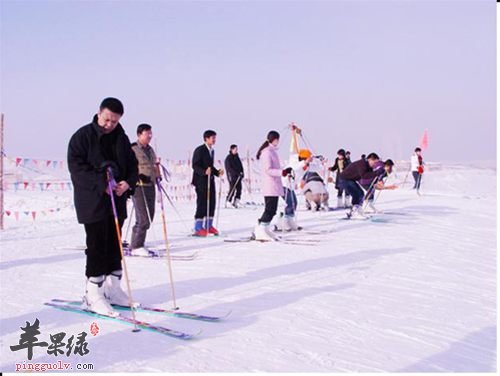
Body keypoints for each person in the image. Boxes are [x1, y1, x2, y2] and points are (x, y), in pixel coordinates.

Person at [68, 97, 138, 316]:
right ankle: (93, 295)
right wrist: (102, 184)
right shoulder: (82, 137)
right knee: (97, 245)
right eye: (107, 119)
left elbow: (132, 166)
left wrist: (128, 182)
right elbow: (77, 169)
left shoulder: (122, 138)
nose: (109, 125)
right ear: (99, 113)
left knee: (116, 244)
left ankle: (113, 289)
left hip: (116, 201)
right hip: (93, 202)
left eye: (114, 122)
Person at [130, 124, 161, 256]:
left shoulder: (150, 150)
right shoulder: (133, 149)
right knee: (142, 217)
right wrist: (137, 176)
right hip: (138, 186)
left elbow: (154, 165)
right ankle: (137, 246)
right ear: (139, 134)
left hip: (150, 185)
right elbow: (128, 166)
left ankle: (136, 241)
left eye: (150, 133)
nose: (149, 136)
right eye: (146, 133)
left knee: (149, 216)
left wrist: (158, 175)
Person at [191, 130, 224, 236]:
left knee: (212, 202)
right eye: (212, 138)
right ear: (206, 138)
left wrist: (217, 172)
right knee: (202, 203)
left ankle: (209, 225)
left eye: (215, 138)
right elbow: (195, 165)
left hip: (210, 180)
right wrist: (204, 172)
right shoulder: (200, 150)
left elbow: (210, 166)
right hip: (200, 180)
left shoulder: (212, 151)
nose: (214, 140)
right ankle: (198, 227)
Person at [253, 131, 283, 241]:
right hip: (270, 185)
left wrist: (283, 172)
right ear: (273, 139)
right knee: (270, 209)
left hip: (274, 185)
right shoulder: (267, 152)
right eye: (277, 139)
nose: (278, 141)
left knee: (272, 210)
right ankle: (260, 229)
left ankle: (265, 228)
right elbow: (268, 170)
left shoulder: (272, 151)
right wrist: (281, 172)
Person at [277, 149, 312, 231]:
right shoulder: (295, 162)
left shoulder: (305, 166)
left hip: (290, 186)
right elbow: (294, 167)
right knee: (290, 203)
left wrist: (321, 162)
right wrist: (305, 162)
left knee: (293, 203)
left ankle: (289, 220)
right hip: (283, 184)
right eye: (307, 159)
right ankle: (283, 222)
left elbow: (315, 167)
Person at [340, 153, 383, 219]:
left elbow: (371, 175)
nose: (375, 164)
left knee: (361, 194)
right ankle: (355, 212)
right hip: (345, 179)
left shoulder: (369, 166)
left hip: (351, 179)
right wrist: (377, 172)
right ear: (370, 159)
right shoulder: (362, 163)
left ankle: (357, 211)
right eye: (374, 162)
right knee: (357, 194)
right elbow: (364, 175)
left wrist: (379, 175)